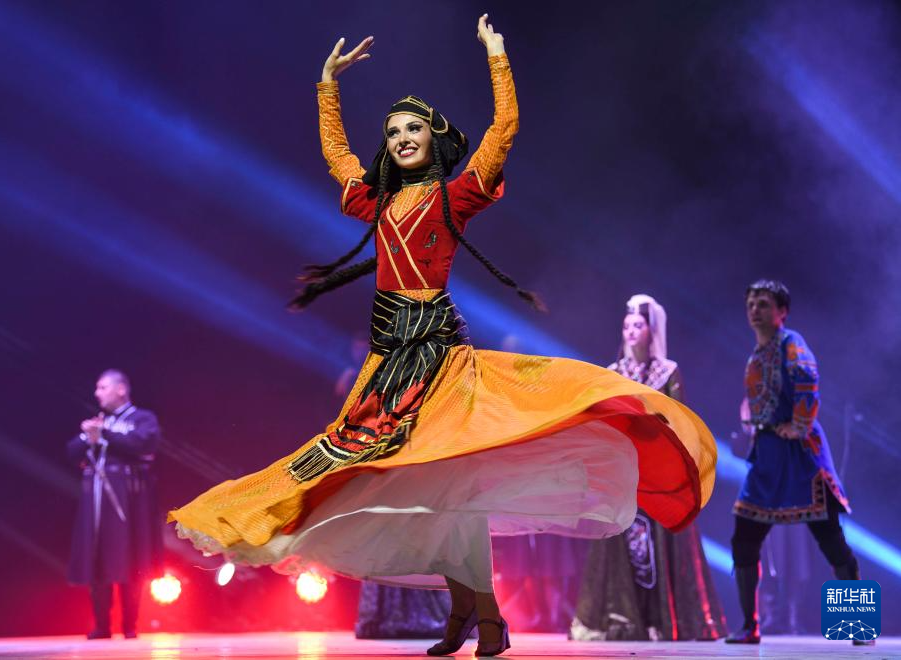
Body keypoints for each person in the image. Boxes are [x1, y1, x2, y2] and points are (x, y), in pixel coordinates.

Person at [170, 16, 716, 657]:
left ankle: (481, 616)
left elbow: (503, 131)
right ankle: (472, 613)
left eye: (414, 129)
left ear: (434, 139)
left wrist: (497, 56)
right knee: (413, 485)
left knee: (449, 486)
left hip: (439, 363)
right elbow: (339, 159)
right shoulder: (376, 202)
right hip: (386, 367)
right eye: (394, 131)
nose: (403, 138)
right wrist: (327, 86)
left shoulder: (454, 198)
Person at [570, 295, 726, 641]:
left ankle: (660, 619)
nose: (630, 331)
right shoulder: (614, 373)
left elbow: (680, 422)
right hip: (624, 473)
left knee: (661, 542)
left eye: (638, 325)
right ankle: (624, 618)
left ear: (651, 330)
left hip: (659, 473)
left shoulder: (667, 372)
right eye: (626, 325)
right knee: (622, 541)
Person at [726, 280, 866, 645]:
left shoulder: (792, 343)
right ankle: (749, 626)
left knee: (830, 538)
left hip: (800, 455)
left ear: (782, 311)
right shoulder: (756, 356)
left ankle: (858, 625)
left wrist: (800, 424)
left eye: (763, 303)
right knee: (744, 536)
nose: (755, 310)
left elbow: (807, 378)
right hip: (767, 459)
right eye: (751, 303)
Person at [67, 370, 163, 640]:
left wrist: (105, 434)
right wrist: (88, 437)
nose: (97, 393)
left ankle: (130, 625)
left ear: (121, 389)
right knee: (98, 556)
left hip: (130, 496)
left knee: (130, 554)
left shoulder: (141, 418)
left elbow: (144, 442)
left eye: (103, 387)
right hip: (98, 499)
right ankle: (102, 626)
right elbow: (71, 451)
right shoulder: (99, 423)